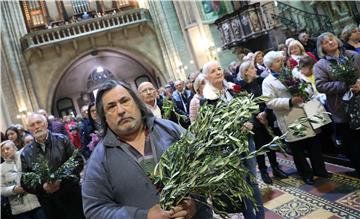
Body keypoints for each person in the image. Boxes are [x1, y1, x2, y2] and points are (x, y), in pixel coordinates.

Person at [81, 80, 212, 219]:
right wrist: (144, 216)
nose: (121, 110)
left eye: (125, 101)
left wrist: (196, 203)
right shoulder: (99, 159)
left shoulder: (170, 130)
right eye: (111, 107)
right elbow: (94, 210)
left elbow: (207, 165)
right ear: (104, 118)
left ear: (137, 103)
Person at [202, 60, 264, 218]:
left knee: (253, 180)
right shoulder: (206, 100)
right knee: (241, 183)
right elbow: (208, 128)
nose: (218, 72)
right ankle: (249, 216)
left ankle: (260, 216)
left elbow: (247, 108)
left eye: (219, 68)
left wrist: (250, 122)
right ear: (206, 77)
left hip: (246, 141)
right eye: (213, 71)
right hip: (228, 148)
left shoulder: (234, 89)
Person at [262, 51, 331, 185]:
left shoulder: (293, 72)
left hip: (309, 111)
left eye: (281, 60)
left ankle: (320, 169)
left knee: (314, 143)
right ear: (270, 66)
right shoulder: (268, 81)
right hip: (291, 116)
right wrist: (290, 101)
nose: (281, 62)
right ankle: (306, 174)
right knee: (298, 148)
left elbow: (309, 86)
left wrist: (305, 92)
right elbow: (269, 102)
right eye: (277, 61)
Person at [20, 113, 85, 219]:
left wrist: (60, 179)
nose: (36, 127)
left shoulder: (62, 140)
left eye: (39, 122)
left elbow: (77, 161)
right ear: (29, 129)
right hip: (49, 203)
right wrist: (43, 187)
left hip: (71, 195)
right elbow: (25, 181)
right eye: (32, 125)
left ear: (45, 124)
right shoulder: (26, 153)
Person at [314, 32, 360, 177]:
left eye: (331, 39)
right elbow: (321, 86)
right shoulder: (321, 65)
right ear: (322, 48)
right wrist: (344, 85)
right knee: (352, 143)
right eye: (325, 42)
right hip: (341, 108)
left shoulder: (353, 55)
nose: (330, 42)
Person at [238, 61, 288, 184]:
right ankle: (264, 171)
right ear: (245, 72)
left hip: (266, 115)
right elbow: (243, 105)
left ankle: (275, 168)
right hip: (254, 120)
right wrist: (256, 116)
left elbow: (268, 98)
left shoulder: (261, 81)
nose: (255, 69)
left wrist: (265, 112)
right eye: (251, 68)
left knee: (271, 144)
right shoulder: (240, 86)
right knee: (260, 147)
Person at [1, 140, 47, 219]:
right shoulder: (1, 168)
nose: (5, 151)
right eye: (2, 151)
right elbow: (1, 189)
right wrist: (13, 189)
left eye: (7, 148)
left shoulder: (25, 157)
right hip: (19, 209)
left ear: (14, 148)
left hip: (37, 203)